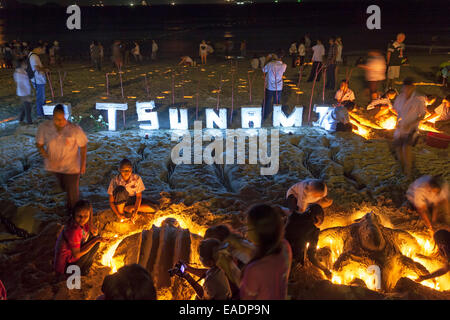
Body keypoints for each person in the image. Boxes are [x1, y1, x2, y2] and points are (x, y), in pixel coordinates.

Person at [36, 104, 88, 213]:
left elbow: (83, 146)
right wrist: (46, 156)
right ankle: (76, 201)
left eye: (62, 118)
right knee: (64, 187)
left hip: (72, 167)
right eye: (57, 119)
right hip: (55, 167)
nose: (60, 121)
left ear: (65, 116)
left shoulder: (74, 129)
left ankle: (73, 213)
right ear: (52, 117)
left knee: (72, 193)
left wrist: (83, 164)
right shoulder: (45, 128)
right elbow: (39, 144)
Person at [240, 204, 292, 300]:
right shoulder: (285, 246)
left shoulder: (255, 269)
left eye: (248, 228)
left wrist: (227, 265)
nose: (246, 232)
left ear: (258, 232)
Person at [54, 200, 109, 276]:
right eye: (79, 216)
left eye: (86, 216)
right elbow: (76, 255)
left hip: (69, 260)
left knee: (96, 236)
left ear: (90, 215)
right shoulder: (74, 230)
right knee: (96, 242)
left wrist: (91, 228)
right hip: (67, 267)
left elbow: (90, 229)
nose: (82, 219)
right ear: (74, 214)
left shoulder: (76, 222)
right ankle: (83, 270)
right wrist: (96, 240)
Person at [285, 204, 331, 278]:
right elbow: (311, 256)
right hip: (290, 259)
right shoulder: (313, 230)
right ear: (317, 218)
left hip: (279, 249)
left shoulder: (292, 216)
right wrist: (325, 270)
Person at [393, 78, 427, 178]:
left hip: (412, 128)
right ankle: (403, 167)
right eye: (404, 88)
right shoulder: (400, 98)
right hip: (401, 128)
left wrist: (412, 123)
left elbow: (422, 115)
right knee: (398, 147)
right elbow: (397, 111)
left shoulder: (418, 99)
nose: (406, 90)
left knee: (406, 147)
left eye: (408, 88)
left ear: (413, 87)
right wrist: (397, 122)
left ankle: (408, 170)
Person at [108, 158, 158, 223]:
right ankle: (123, 213)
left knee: (154, 208)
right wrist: (118, 214)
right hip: (120, 203)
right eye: (124, 170)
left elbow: (139, 197)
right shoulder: (115, 180)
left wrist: (135, 210)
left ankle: (130, 209)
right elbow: (111, 201)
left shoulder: (137, 178)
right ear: (119, 170)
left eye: (128, 170)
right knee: (120, 189)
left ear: (131, 169)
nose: (126, 172)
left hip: (132, 200)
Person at [261, 52, 286, 121]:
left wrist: (267, 59)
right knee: (277, 102)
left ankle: (264, 116)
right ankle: (275, 117)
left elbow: (263, 70)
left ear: (275, 56)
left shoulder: (270, 64)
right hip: (279, 87)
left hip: (270, 86)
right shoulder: (284, 65)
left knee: (267, 101)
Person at [28, 44, 48, 118]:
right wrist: (45, 70)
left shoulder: (31, 55)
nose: (43, 51)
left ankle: (43, 112)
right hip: (38, 80)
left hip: (36, 79)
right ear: (38, 48)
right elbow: (37, 68)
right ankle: (41, 114)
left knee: (41, 97)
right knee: (40, 97)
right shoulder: (34, 56)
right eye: (43, 49)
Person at [14, 58, 33, 125]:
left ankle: (21, 119)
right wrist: (26, 96)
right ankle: (29, 122)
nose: (26, 64)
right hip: (23, 93)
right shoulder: (18, 73)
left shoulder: (23, 71)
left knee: (24, 107)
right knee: (28, 108)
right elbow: (20, 85)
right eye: (25, 63)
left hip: (25, 92)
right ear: (22, 64)